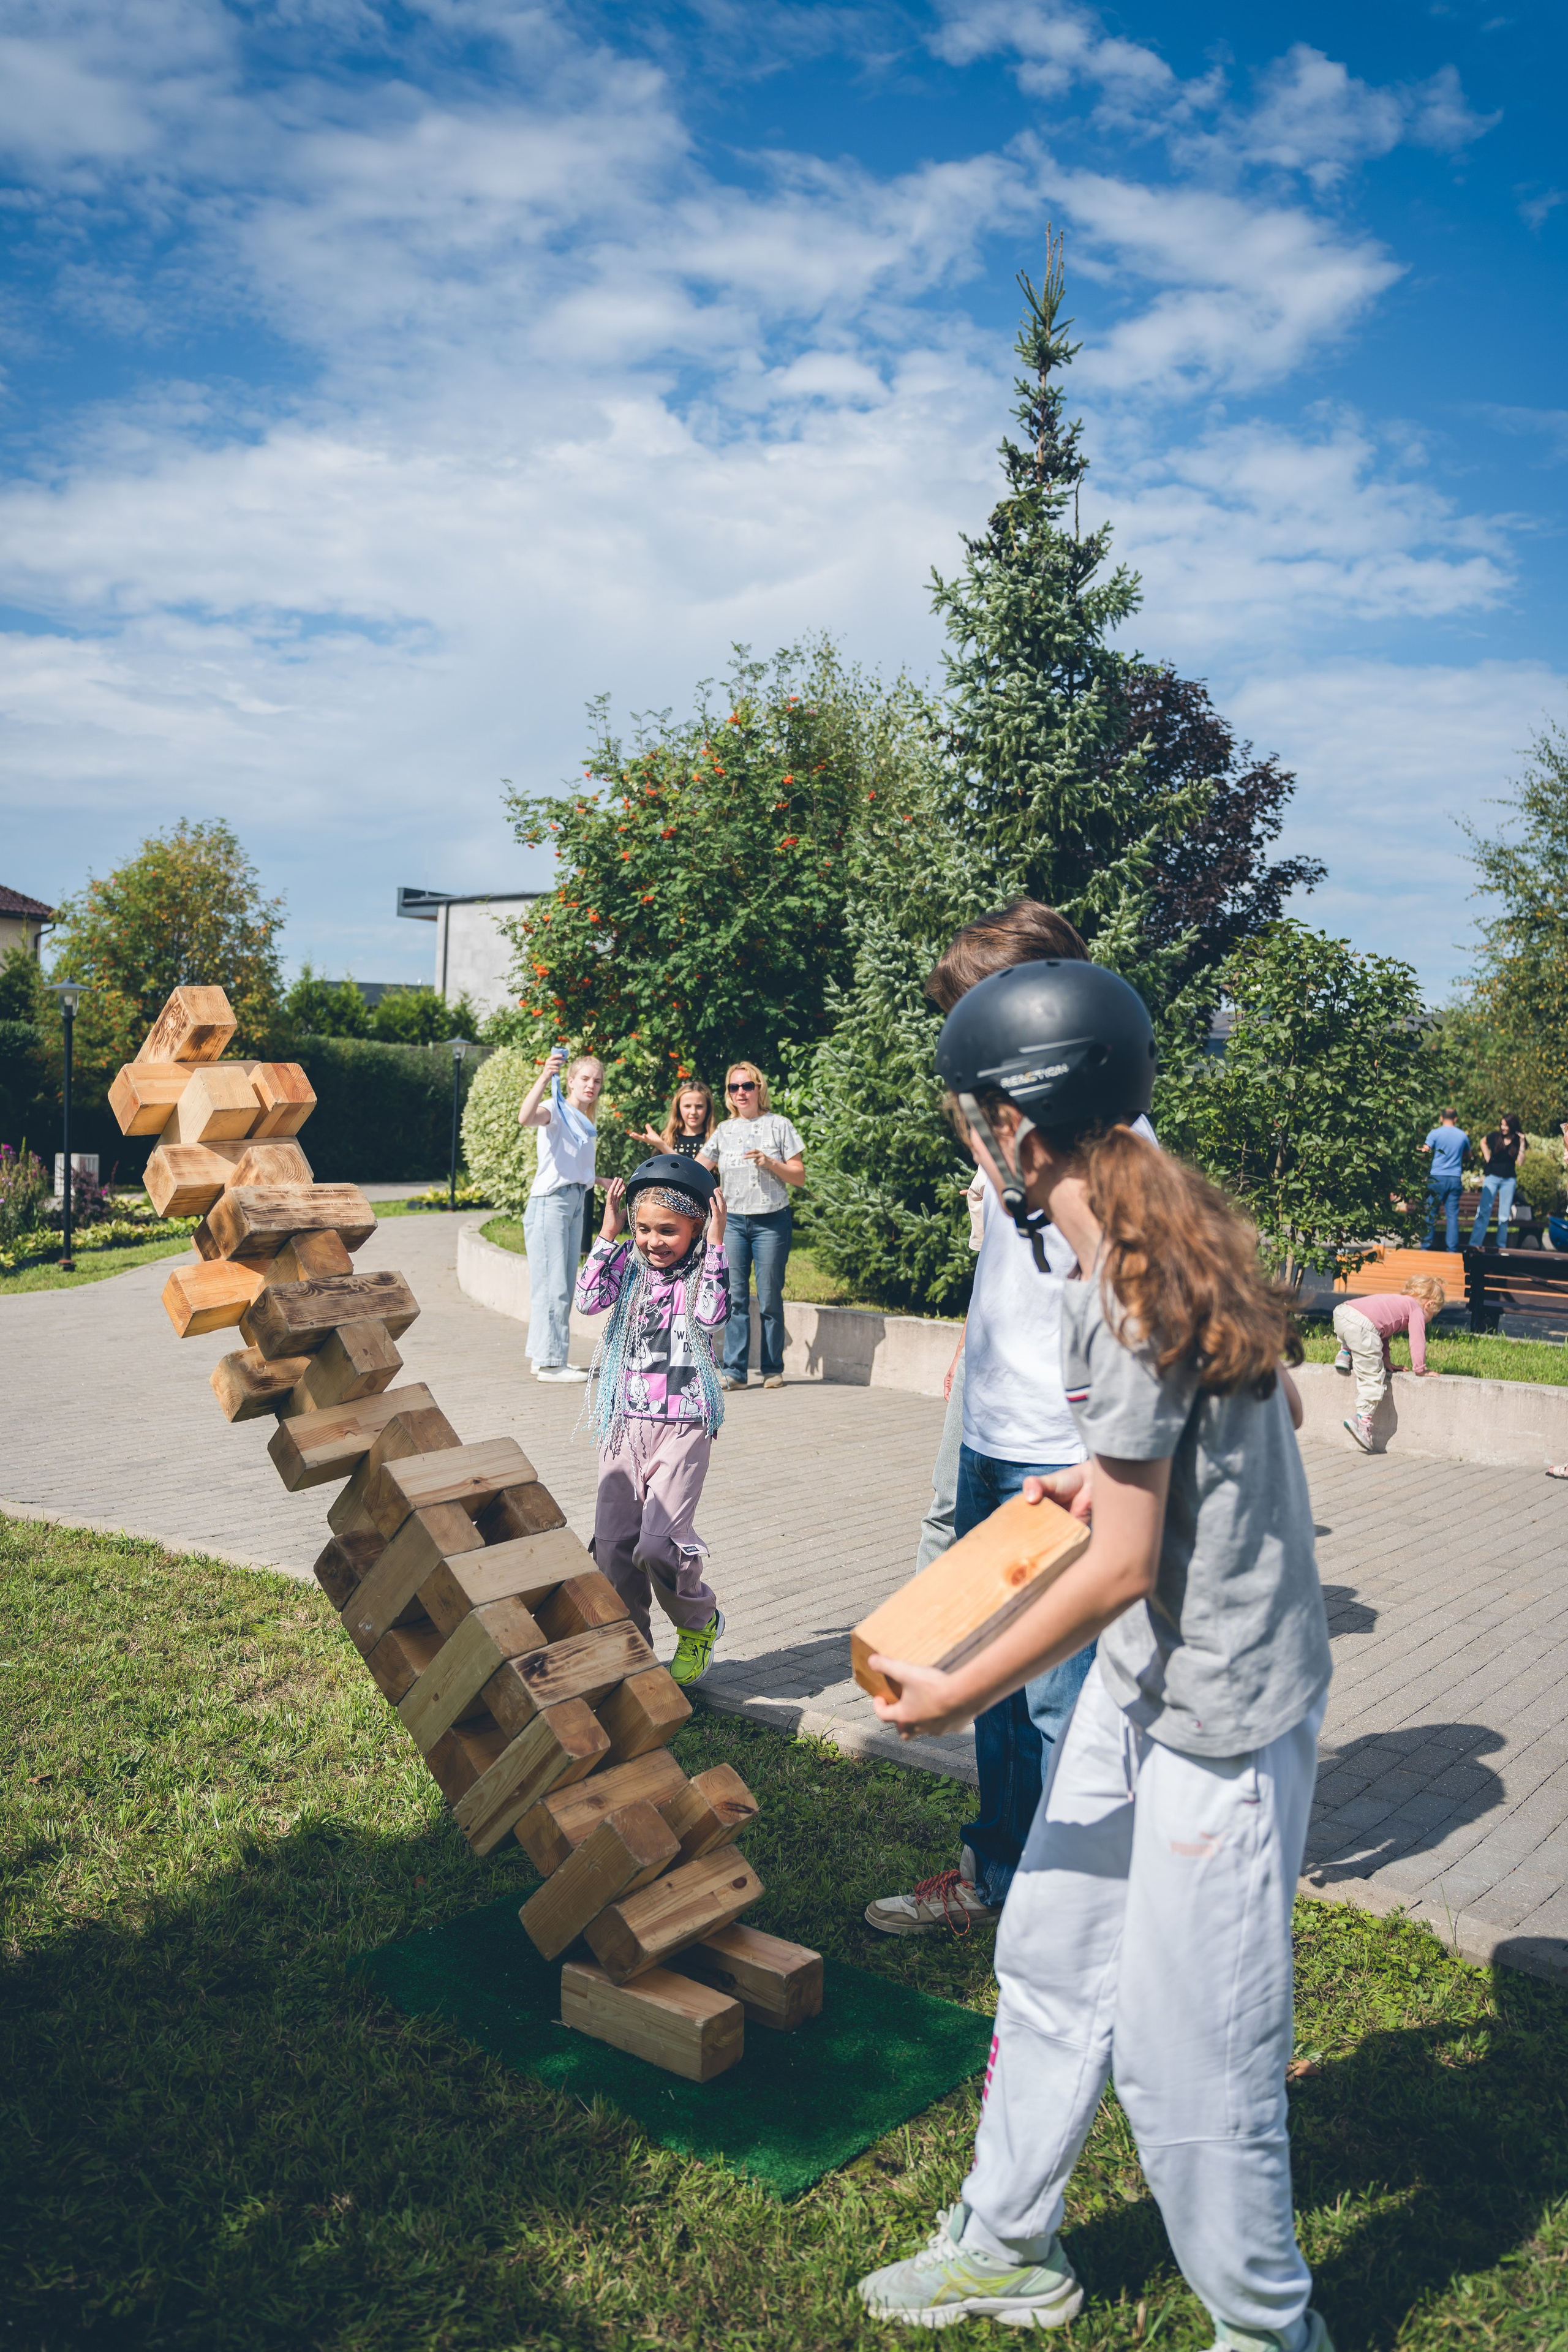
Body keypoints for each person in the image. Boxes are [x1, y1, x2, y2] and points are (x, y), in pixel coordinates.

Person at [857, 957, 1333, 2349]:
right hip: (1149, 1674)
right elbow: (1262, 1415)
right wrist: (1102, 1480)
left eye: (972, 1114)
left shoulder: (1123, 1274)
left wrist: (962, 1684)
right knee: (1052, 1947)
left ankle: (1268, 2332)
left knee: (1196, 2073)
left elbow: (1125, 1560)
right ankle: (1005, 2247)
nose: (968, 1136)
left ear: (1019, 1123)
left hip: (1219, 1714)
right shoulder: (1145, 1223)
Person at [867, 899, 1112, 1939]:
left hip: (1066, 1466)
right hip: (993, 1439)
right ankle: (997, 1873)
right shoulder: (1012, 1138)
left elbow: (1134, 1312)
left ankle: (1070, 1916)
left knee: (1058, 1705)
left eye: (981, 1021)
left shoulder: (1105, 1144)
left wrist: (1108, 1457)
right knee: (1006, 1705)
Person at [573, 1153, 730, 1687]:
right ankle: (633, 1660)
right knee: (614, 1551)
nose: (653, 1241)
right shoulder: (627, 1263)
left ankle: (698, 1620)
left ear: (695, 1227)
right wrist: (608, 1234)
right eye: (644, 1229)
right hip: (623, 1423)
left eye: (668, 1231)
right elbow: (588, 1301)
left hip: (683, 1426)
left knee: (659, 1546)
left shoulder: (704, 1270)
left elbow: (712, 1315)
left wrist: (718, 1246)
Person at [699, 1062, 804, 1392]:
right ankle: (735, 1372)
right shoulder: (724, 1131)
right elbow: (700, 1169)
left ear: (759, 1088)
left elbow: (799, 1176)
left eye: (747, 1086)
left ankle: (773, 1368)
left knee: (771, 1297)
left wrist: (770, 1162)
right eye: (734, 1088)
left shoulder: (779, 1125)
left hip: (772, 1220)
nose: (741, 1092)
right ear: (729, 1094)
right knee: (736, 1297)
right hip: (733, 1223)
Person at [516, 1047, 605, 1384]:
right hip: (550, 1203)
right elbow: (525, 1118)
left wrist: (599, 1180)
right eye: (584, 1078)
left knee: (559, 1284)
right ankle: (553, 1363)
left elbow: (569, 1167)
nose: (591, 1085)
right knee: (555, 1286)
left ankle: (544, 1358)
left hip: (574, 1200)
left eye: (596, 1081)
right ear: (569, 1080)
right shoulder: (556, 1108)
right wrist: (543, 1076)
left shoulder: (584, 1119)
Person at [1332, 1275, 1445, 1453]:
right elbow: (1417, 1339)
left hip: (1343, 1312)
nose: (1431, 1318)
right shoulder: (1416, 1309)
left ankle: (1346, 1353)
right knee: (1372, 1376)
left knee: (1360, 1338)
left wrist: (1386, 1360)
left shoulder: (1399, 1301)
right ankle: (1362, 1420)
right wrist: (1420, 1369)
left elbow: (1381, 1331)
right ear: (1429, 1304)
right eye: (1434, 1314)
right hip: (1362, 1326)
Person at [1470, 1114, 1525, 1249]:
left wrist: (1523, 1142)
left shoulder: (1518, 1140)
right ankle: (1475, 1244)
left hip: (1509, 1180)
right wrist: (1488, 1158)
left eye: (1506, 1125)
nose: (1503, 1128)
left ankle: (1501, 1246)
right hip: (1492, 1177)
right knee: (1484, 1212)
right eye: (1502, 1124)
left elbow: (1521, 1162)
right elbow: (1483, 1141)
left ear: (1512, 1126)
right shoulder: (1495, 1136)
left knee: (1504, 1216)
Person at [627, 1081, 716, 1162]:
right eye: (687, 1106)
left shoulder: (715, 1139)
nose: (693, 1112)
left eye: (699, 1106)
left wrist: (662, 1145)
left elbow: (693, 1172)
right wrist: (660, 1144)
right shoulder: (669, 1138)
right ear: (678, 1108)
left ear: (708, 1108)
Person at [1420, 1107, 1469, 1252]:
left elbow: (1425, 1150)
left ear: (1441, 1118)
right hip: (1454, 1178)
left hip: (1437, 1178)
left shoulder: (1435, 1133)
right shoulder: (1462, 1135)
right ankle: (1452, 1250)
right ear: (1456, 1119)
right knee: (1452, 1216)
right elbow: (1469, 1154)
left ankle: (1425, 1247)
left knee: (1431, 1213)